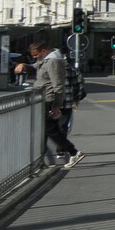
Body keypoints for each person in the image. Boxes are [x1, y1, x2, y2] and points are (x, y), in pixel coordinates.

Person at [26, 39, 84, 167]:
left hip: (50, 99)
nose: (35, 58)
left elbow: (58, 85)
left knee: (50, 129)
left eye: (36, 55)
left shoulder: (53, 61)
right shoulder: (47, 59)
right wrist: (24, 66)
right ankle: (40, 161)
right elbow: (35, 66)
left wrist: (56, 105)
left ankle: (73, 152)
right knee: (46, 129)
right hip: (46, 99)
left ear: (44, 51)